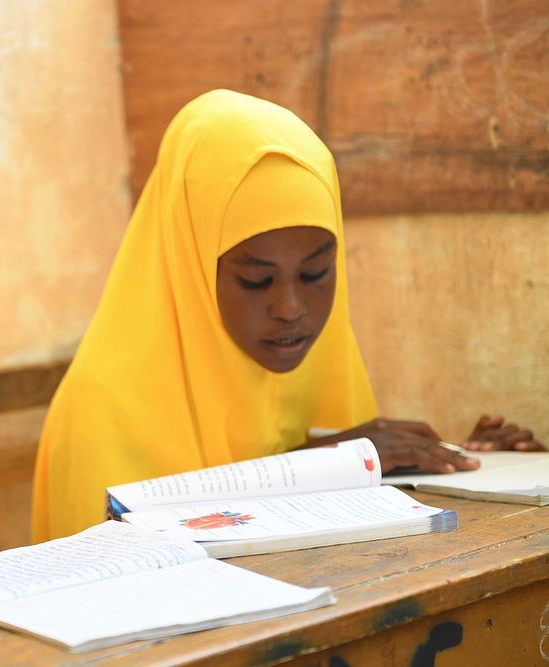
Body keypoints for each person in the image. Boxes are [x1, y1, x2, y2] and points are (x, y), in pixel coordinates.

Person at [31, 89, 542, 543]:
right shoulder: (102, 409)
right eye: (256, 280)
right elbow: (121, 590)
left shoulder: (306, 361)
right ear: (191, 264)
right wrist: (316, 465)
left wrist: (472, 466)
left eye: (317, 273)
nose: (291, 309)